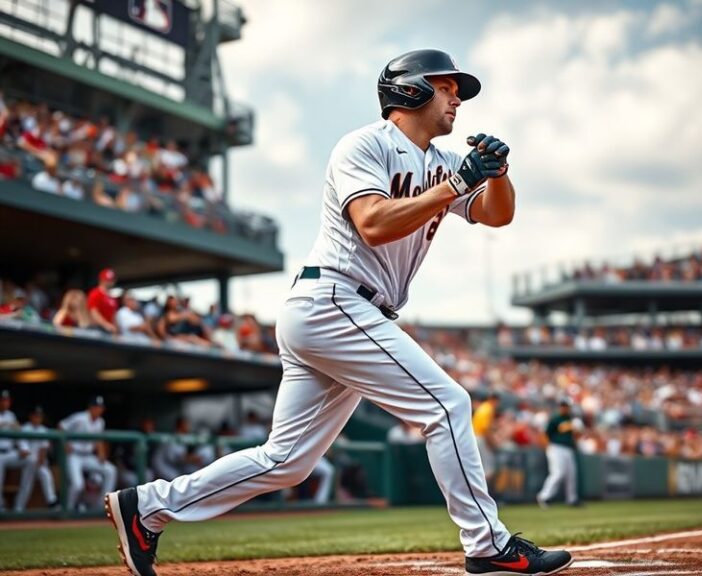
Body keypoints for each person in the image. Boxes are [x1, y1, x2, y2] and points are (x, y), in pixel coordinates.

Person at [105, 49, 572, 576]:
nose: (457, 98)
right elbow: (372, 222)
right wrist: (458, 184)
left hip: (346, 312)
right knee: (446, 406)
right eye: (446, 87)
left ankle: (146, 507)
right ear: (411, 90)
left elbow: (496, 214)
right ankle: (487, 544)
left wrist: (499, 173)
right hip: (334, 301)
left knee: (286, 461)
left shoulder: (439, 162)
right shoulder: (364, 144)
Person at [59, 396, 117, 511]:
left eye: (100, 407)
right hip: (74, 455)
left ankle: (101, 507)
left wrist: (101, 453)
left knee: (111, 470)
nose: (98, 409)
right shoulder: (79, 417)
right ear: (90, 407)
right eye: (96, 407)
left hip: (88, 456)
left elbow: (98, 439)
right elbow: (61, 426)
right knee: (77, 484)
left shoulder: (101, 422)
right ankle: (68, 510)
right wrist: (65, 444)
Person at [537, 399, 580, 508]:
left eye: (566, 406)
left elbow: (575, 435)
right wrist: (548, 447)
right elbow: (545, 434)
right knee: (557, 473)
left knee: (571, 475)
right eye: (562, 406)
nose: (564, 408)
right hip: (556, 448)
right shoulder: (555, 418)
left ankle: (572, 499)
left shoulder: (570, 419)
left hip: (568, 449)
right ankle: (544, 496)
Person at [15, 406, 59, 511]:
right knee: (27, 481)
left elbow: (44, 449)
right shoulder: (24, 428)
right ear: (31, 417)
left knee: (46, 475)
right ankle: (19, 507)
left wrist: (41, 458)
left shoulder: (44, 430)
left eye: (39, 416)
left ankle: (51, 502)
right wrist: (35, 458)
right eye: (35, 416)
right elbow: (23, 450)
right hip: (25, 461)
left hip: (39, 462)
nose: (37, 418)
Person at [0, 390, 35, 512]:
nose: (5, 403)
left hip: (9, 452)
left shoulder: (11, 416)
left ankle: (19, 505)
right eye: (3, 400)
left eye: (7, 400)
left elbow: (18, 435)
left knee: (31, 461)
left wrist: (24, 448)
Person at [87, 268, 119, 335]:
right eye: (108, 280)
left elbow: (114, 315)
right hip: (98, 329)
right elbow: (94, 312)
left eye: (112, 280)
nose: (111, 282)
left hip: (110, 330)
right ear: (102, 280)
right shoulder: (95, 293)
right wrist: (106, 325)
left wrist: (116, 328)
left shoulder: (112, 297)